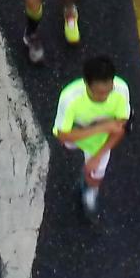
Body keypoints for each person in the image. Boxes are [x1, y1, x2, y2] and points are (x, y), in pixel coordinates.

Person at [53, 57, 131, 217]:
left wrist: (97, 156)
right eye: (99, 93)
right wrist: (101, 127)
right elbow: (63, 136)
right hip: (75, 136)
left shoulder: (121, 90)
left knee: (95, 175)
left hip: (98, 143)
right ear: (86, 84)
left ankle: (89, 189)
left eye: (108, 91)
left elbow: (120, 128)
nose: (104, 97)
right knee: (70, 145)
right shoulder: (69, 98)